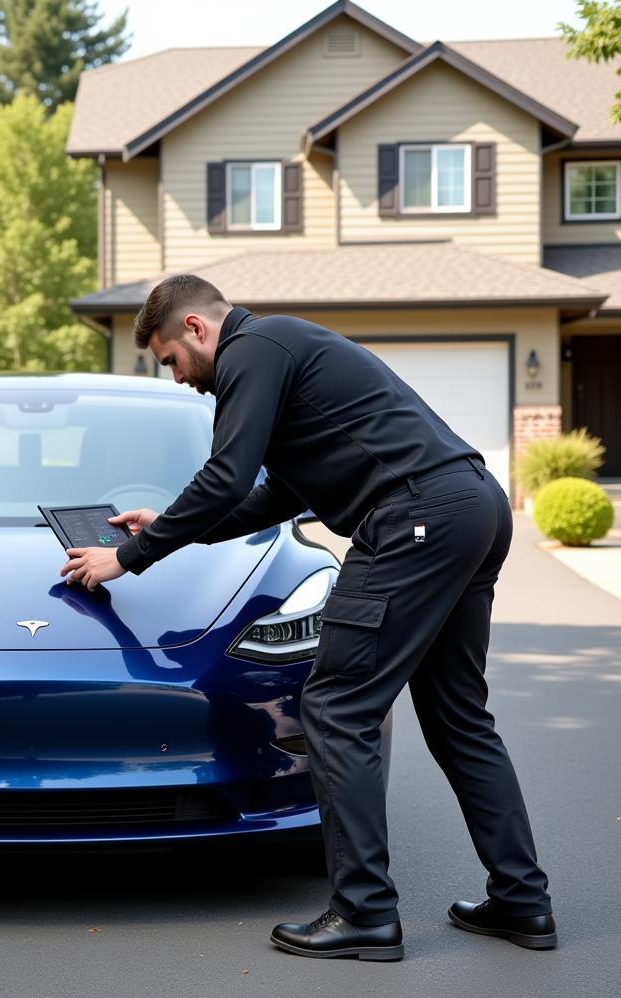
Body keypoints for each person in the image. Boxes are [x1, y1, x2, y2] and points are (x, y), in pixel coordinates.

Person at [59, 273, 556, 961]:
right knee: (457, 718)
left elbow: (226, 475)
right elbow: (271, 495)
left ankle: (366, 913)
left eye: (171, 359)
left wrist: (132, 556)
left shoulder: (253, 350)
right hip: (467, 506)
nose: (176, 378)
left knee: (334, 707)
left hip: (414, 517)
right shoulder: (285, 351)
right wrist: (168, 524)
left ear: (197, 330)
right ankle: (522, 902)